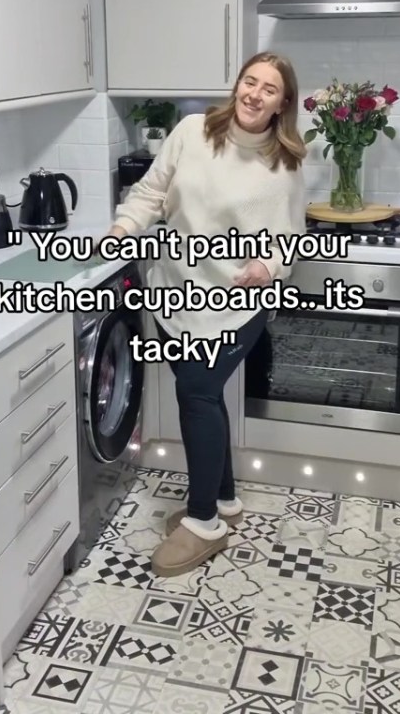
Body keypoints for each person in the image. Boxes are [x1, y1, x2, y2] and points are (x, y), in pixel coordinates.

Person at [98, 51, 307, 577]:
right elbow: (152, 190)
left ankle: (204, 520)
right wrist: (124, 227)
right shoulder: (193, 130)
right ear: (237, 85)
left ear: (283, 103)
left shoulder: (284, 162)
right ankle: (227, 501)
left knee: (196, 394)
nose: (254, 94)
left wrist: (270, 265)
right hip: (175, 290)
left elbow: (291, 239)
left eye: (269, 89)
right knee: (204, 396)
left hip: (234, 304)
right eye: (249, 81)